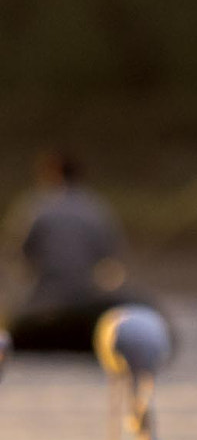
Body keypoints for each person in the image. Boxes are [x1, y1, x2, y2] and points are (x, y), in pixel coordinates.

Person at [3, 150, 158, 353]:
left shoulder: (36, 208)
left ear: (50, 175)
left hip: (42, 299)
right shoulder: (95, 209)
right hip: (84, 296)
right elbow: (112, 261)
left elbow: (15, 254)